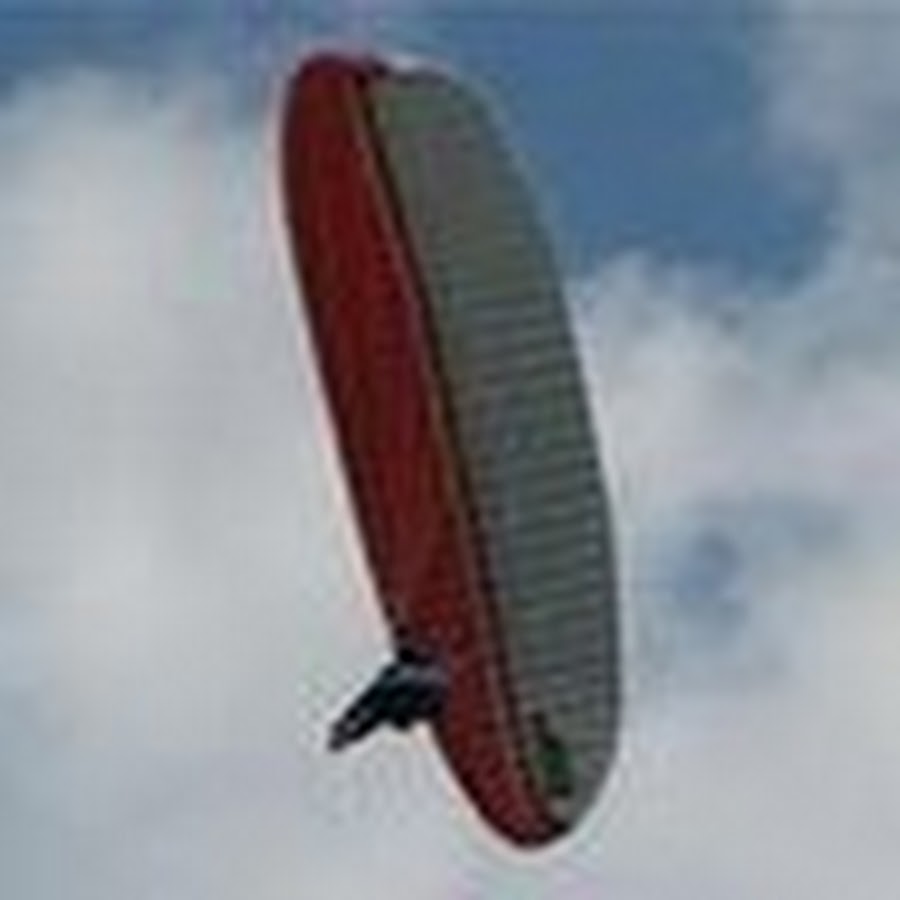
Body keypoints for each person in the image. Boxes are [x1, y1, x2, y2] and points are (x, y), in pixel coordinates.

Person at [328, 644, 447, 751]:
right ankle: (345, 730)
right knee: (376, 707)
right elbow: (368, 705)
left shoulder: (395, 687)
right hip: (411, 685)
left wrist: (346, 723)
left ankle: (345, 730)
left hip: (410, 685)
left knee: (377, 706)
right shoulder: (393, 695)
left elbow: (368, 702)